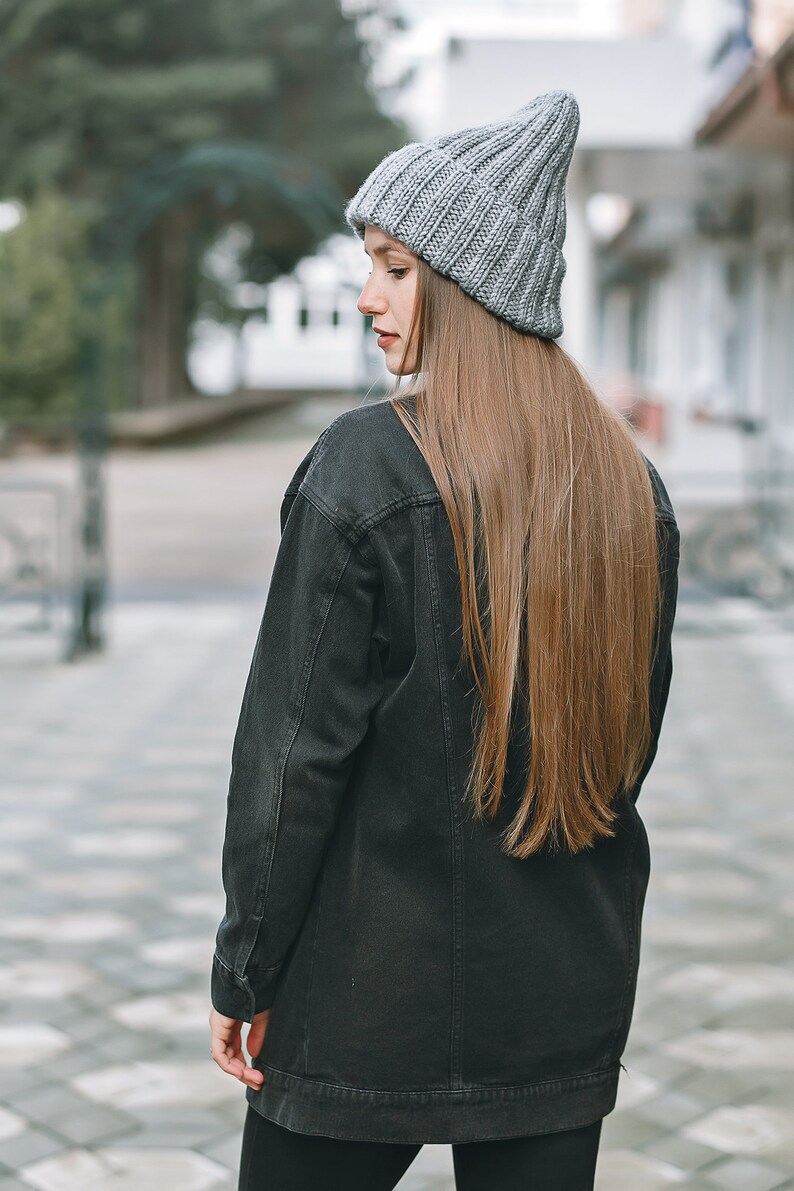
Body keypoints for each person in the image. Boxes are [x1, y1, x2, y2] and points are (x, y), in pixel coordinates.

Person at [208, 89, 680, 1191]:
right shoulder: (629, 491)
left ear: (468, 287)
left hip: (359, 994)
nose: (365, 296)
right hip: (559, 992)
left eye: (395, 267)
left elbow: (290, 760)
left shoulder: (363, 469)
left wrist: (245, 970)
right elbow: (625, 751)